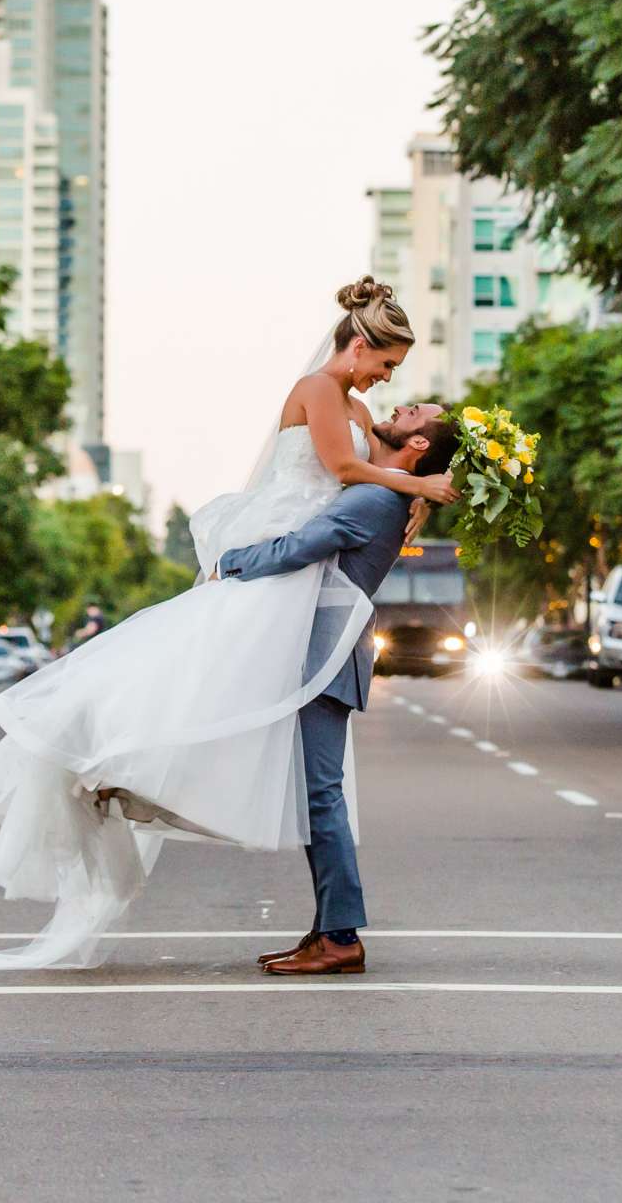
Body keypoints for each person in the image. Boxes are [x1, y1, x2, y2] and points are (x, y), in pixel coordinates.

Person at [0, 277, 458, 971]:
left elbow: (326, 510)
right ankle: (134, 776)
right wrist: (413, 487)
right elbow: (335, 472)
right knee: (200, 683)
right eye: (389, 367)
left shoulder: (367, 466)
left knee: (247, 723)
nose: (391, 384)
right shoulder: (330, 405)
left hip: (306, 620)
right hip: (298, 610)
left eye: (402, 389)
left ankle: (333, 930)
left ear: (416, 448)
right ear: (360, 343)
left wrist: (239, 561)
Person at [213, 417, 463, 976]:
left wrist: (227, 564)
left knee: (322, 795)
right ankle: (329, 928)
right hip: (322, 653)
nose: (396, 412)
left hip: (327, 656)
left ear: (418, 444)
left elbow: (298, 549)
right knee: (316, 795)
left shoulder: (375, 498)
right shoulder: (386, 493)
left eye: (410, 414)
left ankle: (341, 937)